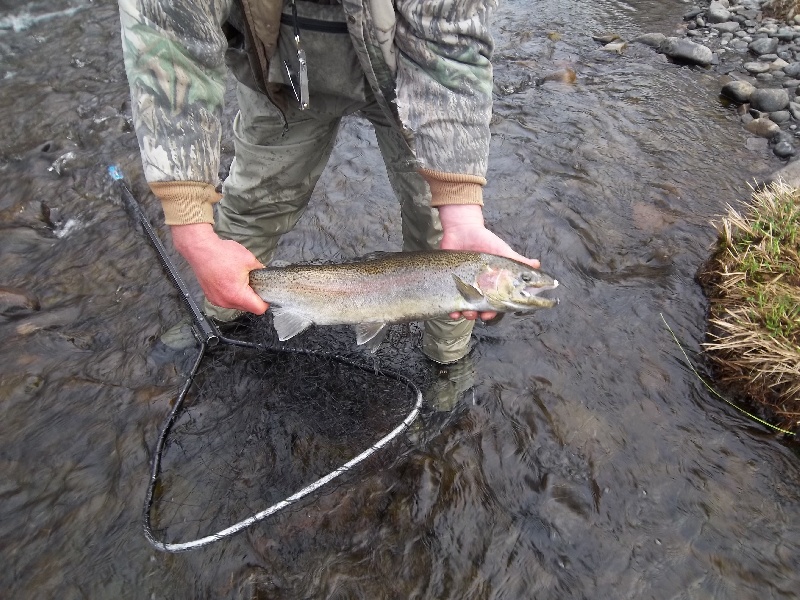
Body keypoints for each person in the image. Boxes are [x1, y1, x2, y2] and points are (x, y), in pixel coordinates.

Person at [118, 0, 539, 364]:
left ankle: (447, 357)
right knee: (251, 204)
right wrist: (192, 230)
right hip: (280, 73)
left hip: (410, 78)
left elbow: (454, 46)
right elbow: (167, 40)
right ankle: (219, 308)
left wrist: (463, 209)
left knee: (441, 229)